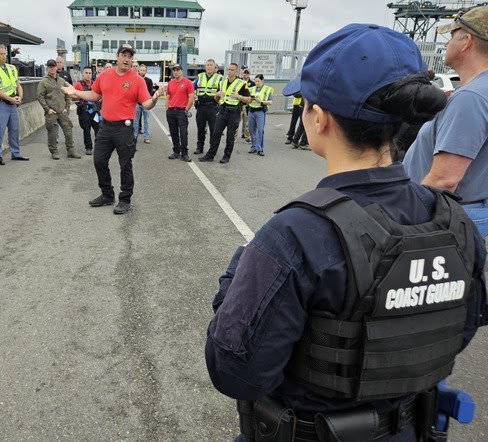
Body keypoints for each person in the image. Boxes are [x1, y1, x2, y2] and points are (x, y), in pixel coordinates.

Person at [205, 24, 487, 442]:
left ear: (319, 118)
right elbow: (459, 331)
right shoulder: (454, 221)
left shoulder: (296, 234)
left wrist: (238, 274)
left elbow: (236, 372)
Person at [404, 6, 488, 238]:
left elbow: (445, 179)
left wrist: (405, 217)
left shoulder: (471, 97)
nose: (445, 43)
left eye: (451, 36)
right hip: (468, 210)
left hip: (447, 215)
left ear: (466, 41)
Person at [62, 44, 162, 215]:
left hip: (125, 128)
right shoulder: (105, 75)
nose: (127, 59)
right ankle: (107, 194)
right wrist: (77, 93)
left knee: (125, 165)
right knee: (99, 161)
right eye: (124, 55)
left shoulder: (137, 80)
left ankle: (125, 200)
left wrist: (153, 99)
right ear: (117, 56)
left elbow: (146, 104)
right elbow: (94, 95)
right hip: (106, 127)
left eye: (130, 56)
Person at [199, 63, 251, 164]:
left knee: (230, 136)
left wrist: (239, 96)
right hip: (222, 111)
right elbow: (216, 99)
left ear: (236, 72)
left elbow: (248, 99)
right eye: (229, 69)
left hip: (234, 112)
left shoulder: (242, 83)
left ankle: (226, 156)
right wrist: (217, 95)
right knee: (215, 134)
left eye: (232, 70)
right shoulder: (222, 82)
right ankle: (210, 155)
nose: (230, 72)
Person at [0, 45, 28, 164]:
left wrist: (20, 96)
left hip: (13, 103)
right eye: (1, 54)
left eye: (5, 54)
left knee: (14, 129)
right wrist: (10, 99)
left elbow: (17, 84)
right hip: (2, 103)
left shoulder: (12, 68)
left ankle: (16, 153)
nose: (4, 56)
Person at [37, 59, 80, 160]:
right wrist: (47, 109)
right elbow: (40, 96)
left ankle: (71, 150)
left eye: (53, 66)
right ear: (47, 68)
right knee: (52, 133)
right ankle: (54, 151)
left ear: (57, 67)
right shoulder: (44, 82)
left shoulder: (61, 81)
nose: (52, 68)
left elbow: (67, 95)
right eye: (50, 67)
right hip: (51, 111)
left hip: (62, 111)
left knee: (68, 130)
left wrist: (67, 107)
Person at [193, 59, 224, 155]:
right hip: (201, 106)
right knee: (200, 128)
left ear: (215, 67)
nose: (209, 67)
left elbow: (223, 92)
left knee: (213, 129)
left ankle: (212, 149)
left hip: (213, 106)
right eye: (207, 65)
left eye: (211, 65)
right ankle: (199, 147)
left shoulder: (220, 78)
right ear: (205, 67)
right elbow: (192, 88)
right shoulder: (200, 76)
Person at [165, 64, 195, 162]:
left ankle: (184, 153)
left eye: (178, 70)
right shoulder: (170, 83)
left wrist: (186, 109)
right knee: (173, 133)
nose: (176, 72)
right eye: (174, 70)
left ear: (181, 71)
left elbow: (191, 97)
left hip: (181, 111)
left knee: (183, 133)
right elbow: (168, 97)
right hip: (171, 111)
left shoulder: (187, 83)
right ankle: (176, 152)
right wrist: (167, 109)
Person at [74, 66, 100, 155]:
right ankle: (88, 147)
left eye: (90, 73)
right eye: (86, 73)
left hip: (95, 110)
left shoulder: (95, 83)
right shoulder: (78, 85)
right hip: (84, 111)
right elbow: (72, 96)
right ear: (83, 73)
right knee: (86, 130)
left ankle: (99, 147)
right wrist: (83, 96)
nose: (88, 75)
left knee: (98, 129)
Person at [247, 74, 273, 156]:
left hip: (260, 111)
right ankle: (253, 146)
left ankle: (260, 149)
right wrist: (250, 99)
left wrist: (260, 101)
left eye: (258, 81)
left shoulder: (267, 89)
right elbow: (247, 100)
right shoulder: (251, 89)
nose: (257, 83)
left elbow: (270, 102)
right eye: (255, 81)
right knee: (251, 130)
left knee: (260, 130)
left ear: (262, 81)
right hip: (251, 111)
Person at [134, 64, 155, 144]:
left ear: (146, 71)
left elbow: (150, 93)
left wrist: (146, 102)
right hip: (137, 104)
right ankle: (135, 136)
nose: (142, 71)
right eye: (141, 70)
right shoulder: (135, 80)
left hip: (146, 104)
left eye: (144, 70)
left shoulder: (149, 81)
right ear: (138, 71)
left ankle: (146, 137)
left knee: (146, 121)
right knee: (136, 121)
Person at [239, 68, 255, 142]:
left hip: (247, 105)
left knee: (247, 123)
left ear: (249, 74)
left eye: (247, 73)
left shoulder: (252, 83)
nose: (246, 74)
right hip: (239, 104)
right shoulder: (239, 81)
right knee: (236, 122)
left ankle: (247, 137)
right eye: (244, 72)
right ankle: (233, 137)